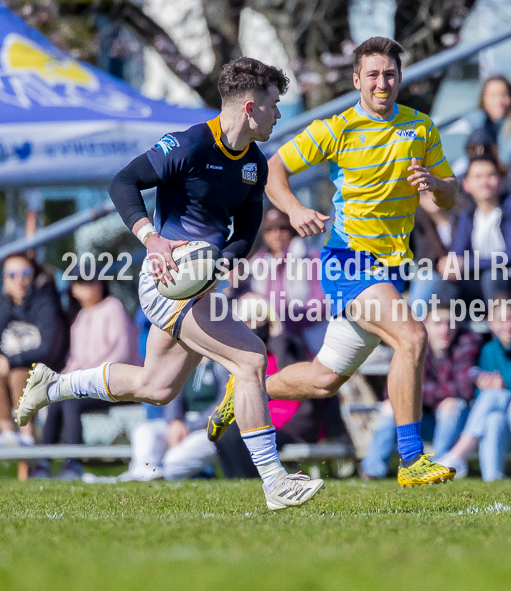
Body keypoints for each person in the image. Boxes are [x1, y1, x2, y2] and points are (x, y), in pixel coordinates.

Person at [17, 58, 325, 511]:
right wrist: (152, 239)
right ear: (249, 106)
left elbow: (245, 232)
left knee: (157, 388)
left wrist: (223, 264)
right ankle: (275, 481)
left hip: (201, 288)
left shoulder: (254, 166)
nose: (279, 114)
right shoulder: (190, 144)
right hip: (166, 282)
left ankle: (53, 386)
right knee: (251, 358)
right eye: (274, 105)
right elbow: (124, 182)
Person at [209, 37, 460, 488]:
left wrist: (434, 183)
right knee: (413, 336)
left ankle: (243, 391)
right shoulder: (337, 128)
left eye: (389, 74)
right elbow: (274, 170)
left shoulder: (421, 128)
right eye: (373, 74)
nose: (381, 82)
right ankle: (411, 459)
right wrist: (295, 210)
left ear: (399, 78)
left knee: (324, 380)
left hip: (389, 269)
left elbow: (451, 192)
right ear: (356, 80)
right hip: (348, 261)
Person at [437, 292, 511, 481]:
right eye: (500, 320)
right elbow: (478, 396)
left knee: (496, 396)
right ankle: (492, 477)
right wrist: (484, 385)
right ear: (490, 323)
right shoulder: (489, 350)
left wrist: (503, 387)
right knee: (493, 417)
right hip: (503, 417)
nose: (507, 326)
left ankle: (457, 455)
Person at [36, 276, 141, 479]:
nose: (87, 287)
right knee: (56, 398)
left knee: (71, 401)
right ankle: (43, 463)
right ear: (73, 290)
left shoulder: (113, 307)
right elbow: (75, 359)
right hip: (90, 383)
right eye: (80, 283)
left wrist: (82, 378)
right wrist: (62, 380)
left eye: (92, 282)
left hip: (121, 382)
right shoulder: (81, 317)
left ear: (102, 285)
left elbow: (120, 354)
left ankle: (74, 464)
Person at [360, 304, 481, 479]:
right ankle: (373, 470)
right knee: (390, 406)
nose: (444, 329)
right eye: (438, 323)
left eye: (450, 323)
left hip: (453, 422)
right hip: (417, 421)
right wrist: (433, 395)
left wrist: (419, 393)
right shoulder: (413, 347)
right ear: (425, 325)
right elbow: (394, 391)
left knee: (451, 405)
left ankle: (440, 466)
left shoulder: (466, 344)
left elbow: (464, 389)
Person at [445, 155, 511, 303]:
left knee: (491, 276)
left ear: (501, 180)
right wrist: (450, 264)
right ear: (466, 184)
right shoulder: (467, 215)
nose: (485, 182)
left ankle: (500, 324)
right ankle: (443, 324)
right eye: (478, 177)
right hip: (477, 279)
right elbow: (457, 253)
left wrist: (467, 264)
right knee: (439, 281)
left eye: (490, 175)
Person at [0, 252, 68, 447]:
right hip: (11, 369)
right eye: (12, 275)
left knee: (20, 375)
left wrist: (9, 361)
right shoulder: (4, 305)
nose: (19, 280)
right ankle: (8, 437)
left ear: (34, 275)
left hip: (46, 370)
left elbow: (46, 350)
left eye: (25, 273)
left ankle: (28, 440)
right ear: (4, 279)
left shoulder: (46, 301)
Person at [247, 207, 326, 354]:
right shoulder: (256, 264)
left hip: (309, 335)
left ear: (292, 230)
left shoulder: (311, 257)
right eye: (270, 229)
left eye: (282, 228)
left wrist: (290, 318)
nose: (276, 233)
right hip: (268, 335)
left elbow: (322, 299)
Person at [473, 76, 511, 167]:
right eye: (492, 96)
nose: (499, 101)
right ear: (483, 99)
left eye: (504, 95)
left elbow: (506, 160)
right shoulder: (480, 124)